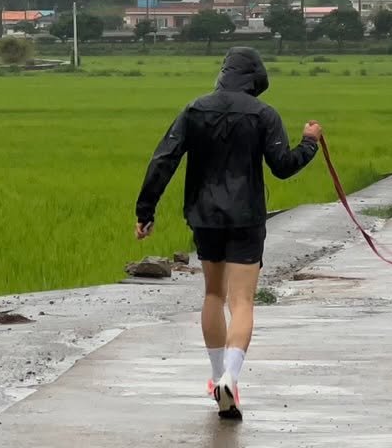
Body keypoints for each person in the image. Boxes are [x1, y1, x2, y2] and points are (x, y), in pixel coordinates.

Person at [134, 46, 321, 421]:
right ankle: (231, 380)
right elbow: (282, 167)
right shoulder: (263, 114)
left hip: (204, 217)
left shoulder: (195, 109)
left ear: (223, 73)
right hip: (246, 217)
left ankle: (217, 375)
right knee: (242, 302)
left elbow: (164, 159)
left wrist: (145, 210)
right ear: (256, 79)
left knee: (213, 294)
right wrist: (310, 143)